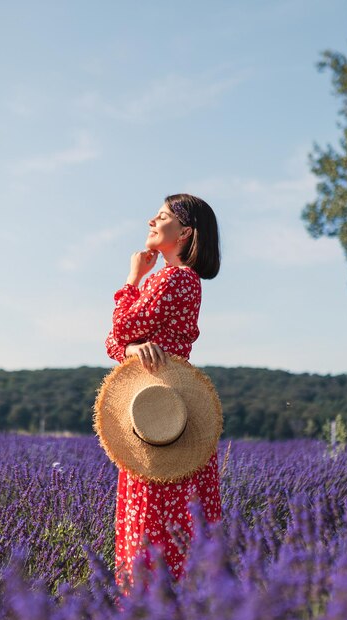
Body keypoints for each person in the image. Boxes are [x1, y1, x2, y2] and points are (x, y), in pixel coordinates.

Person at [105, 193, 222, 587]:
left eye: (162, 216)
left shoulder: (176, 279)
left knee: (152, 533)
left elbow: (118, 329)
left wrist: (131, 278)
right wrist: (133, 349)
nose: (151, 222)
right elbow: (115, 344)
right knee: (165, 531)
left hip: (161, 422)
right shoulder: (172, 280)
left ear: (185, 232)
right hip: (157, 417)